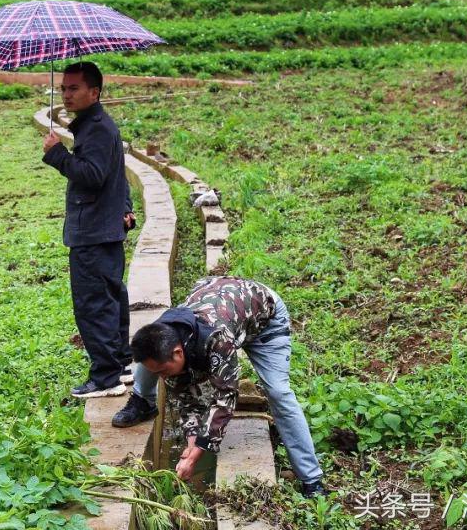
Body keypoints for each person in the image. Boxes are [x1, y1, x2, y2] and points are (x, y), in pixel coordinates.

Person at [114, 276, 327, 497]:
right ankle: (143, 401)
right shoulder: (162, 336)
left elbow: (226, 398)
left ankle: (312, 479)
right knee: (152, 365)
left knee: (278, 392)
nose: (161, 378)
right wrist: (192, 442)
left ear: (178, 353)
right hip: (218, 298)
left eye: (162, 372)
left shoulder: (217, 340)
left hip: (264, 319)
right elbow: (187, 399)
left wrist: (197, 453)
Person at [43, 61, 137, 399]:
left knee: (93, 304)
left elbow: (94, 175)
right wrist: (125, 208)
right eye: (64, 88)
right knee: (111, 299)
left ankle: (106, 377)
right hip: (105, 227)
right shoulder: (95, 125)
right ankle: (122, 363)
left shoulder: (95, 128)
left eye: (73, 88)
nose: (66, 94)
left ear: (93, 92)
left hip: (94, 232)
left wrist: (57, 155)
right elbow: (118, 173)